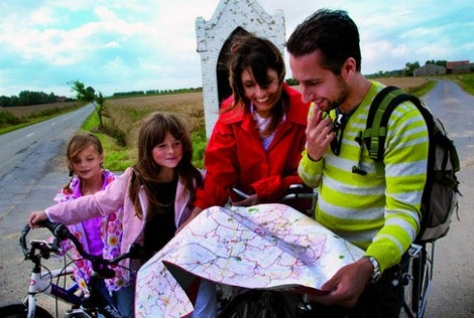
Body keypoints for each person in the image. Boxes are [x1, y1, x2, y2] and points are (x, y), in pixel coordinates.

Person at [286, 9, 429, 317]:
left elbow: (405, 214)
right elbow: (309, 180)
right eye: (298, 82)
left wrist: (369, 265)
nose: (304, 97)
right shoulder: (327, 110)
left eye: (313, 82)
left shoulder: (401, 120)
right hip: (325, 261)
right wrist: (312, 154)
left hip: (371, 272)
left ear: (348, 67)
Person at [28, 112, 216, 318]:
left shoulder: (194, 178)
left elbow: (213, 206)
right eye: (162, 146)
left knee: (201, 312)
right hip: (149, 265)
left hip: (186, 260)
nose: (171, 151)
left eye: (177, 143)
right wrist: (50, 214)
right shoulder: (133, 180)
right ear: (148, 148)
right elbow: (96, 204)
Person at [188, 34, 311, 220]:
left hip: (293, 214)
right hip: (246, 215)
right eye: (249, 85)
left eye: (267, 82)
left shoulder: (305, 113)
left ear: (280, 75)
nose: (260, 94)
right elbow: (218, 176)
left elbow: (309, 173)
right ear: (240, 86)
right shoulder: (230, 115)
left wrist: (267, 191)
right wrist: (193, 219)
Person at [51, 133, 124, 305]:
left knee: (125, 312)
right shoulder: (68, 197)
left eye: (89, 159)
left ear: (101, 157)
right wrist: (53, 245)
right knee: (101, 312)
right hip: (88, 269)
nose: (83, 165)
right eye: (77, 161)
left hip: (118, 268)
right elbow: (66, 230)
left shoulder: (118, 188)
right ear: (71, 164)